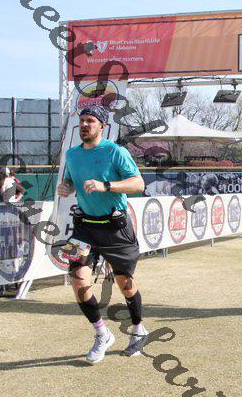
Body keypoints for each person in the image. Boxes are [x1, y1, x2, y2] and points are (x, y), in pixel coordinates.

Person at [56, 105, 147, 364]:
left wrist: (106, 185)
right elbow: (71, 180)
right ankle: (102, 333)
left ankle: (138, 329)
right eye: (82, 120)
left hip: (116, 227)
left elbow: (138, 183)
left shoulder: (115, 151)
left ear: (102, 126)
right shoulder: (72, 154)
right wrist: (66, 186)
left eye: (91, 121)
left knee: (124, 283)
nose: (85, 125)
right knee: (77, 280)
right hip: (84, 227)